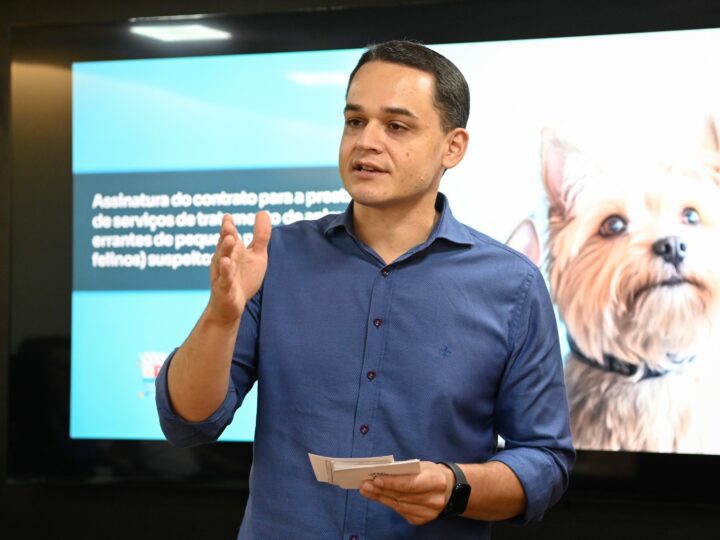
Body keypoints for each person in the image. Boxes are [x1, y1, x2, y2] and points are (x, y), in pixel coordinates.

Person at [156, 40, 574, 539]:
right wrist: (221, 316)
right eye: (355, 121)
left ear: (453, 147)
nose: (366, 141)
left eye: (396, 126)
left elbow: (545, 460)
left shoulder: (513, 286)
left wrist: (455, 485)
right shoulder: (277, 258)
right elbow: (189, 423)